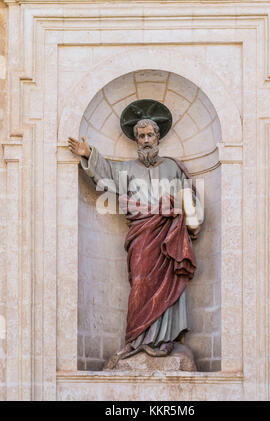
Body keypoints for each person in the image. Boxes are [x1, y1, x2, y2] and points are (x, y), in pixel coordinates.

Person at [68, 113, 204, 368]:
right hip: (142, 235)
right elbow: (106, 171)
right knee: (140, 283)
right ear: (136, 140)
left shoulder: (172, 167)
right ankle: (138, 338)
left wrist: (181, 210)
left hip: (169, 235)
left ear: (158, 137)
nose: (145, 140)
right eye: (140, 136)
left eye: (149, 135)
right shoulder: (127, 169)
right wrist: (89, 154)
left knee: (170, 285)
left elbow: (190, 198)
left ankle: (164, 339)